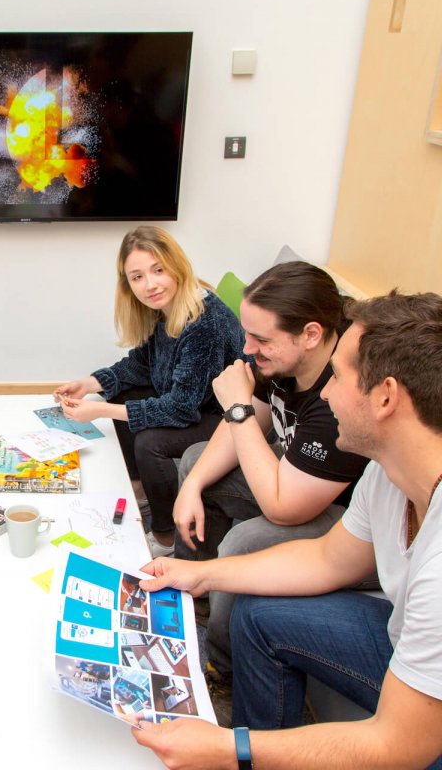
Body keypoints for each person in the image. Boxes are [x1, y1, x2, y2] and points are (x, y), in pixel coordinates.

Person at [132, 290, 442, 769]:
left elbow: (399, 745)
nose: (326, 392)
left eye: (337, 376)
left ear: (386, 397)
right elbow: (326, 559)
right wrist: (202, 574)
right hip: (403, 640)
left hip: (418, 729)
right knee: (256, 613)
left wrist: (228, 751)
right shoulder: (389, 472)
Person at [171, 261, 370, 679]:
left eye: (260, 338)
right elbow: (256, 420)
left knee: (247, 540)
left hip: (345, 512)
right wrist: (190, 485)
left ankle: (221, 667)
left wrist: (236, 407)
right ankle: (192, 593)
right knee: (196, 462)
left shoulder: (337, 397)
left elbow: (283, 509)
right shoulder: (285, 359)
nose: (247, 349)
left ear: (312, 334)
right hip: (296, 472)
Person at [53, 225, 244, 555]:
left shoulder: (205, 324)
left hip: (223, 417)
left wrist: (100, 411)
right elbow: (142, 364)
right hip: (193, 404)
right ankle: (141, 493)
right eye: (137, 276)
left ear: (176, 266)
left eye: (158, 270)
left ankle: (166, 535)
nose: (150, 285)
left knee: (149, 441)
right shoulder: (165, 308)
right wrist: (90, 384)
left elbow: (181, 408)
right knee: (118, 393)